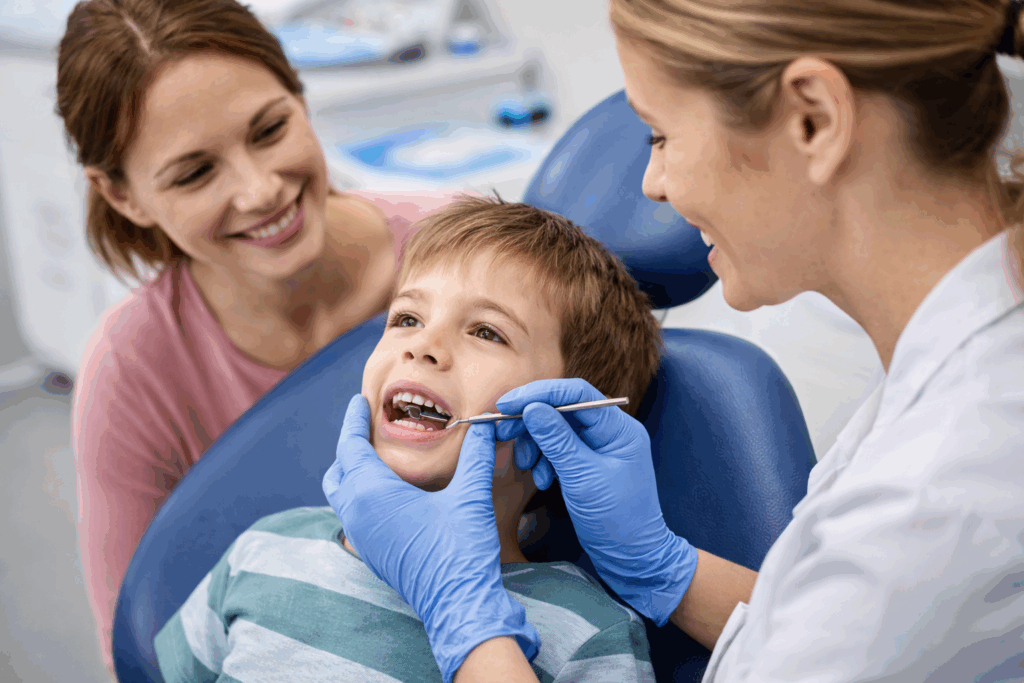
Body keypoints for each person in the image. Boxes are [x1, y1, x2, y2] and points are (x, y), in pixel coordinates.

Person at [323, 0, 1024, 681]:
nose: (652, 185)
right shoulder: (949, 379)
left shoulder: (951, 487)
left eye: (660, 136)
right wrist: (662, 569)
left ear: (814, 118)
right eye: (406, 319)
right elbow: (829, 635)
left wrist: (464, 619)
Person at [56, 0, 458, 676]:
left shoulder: (463, 256)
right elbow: (142, 651)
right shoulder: (132, 373)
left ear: (299, 94)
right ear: (123, 196)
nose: (260, 190)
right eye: (195, 173)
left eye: (270, 130)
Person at [156, 194, 662, 683]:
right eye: (406, 318)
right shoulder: (265, 548)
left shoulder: (584, 633)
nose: (423, 345)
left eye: (486, 332)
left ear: (564, 420)